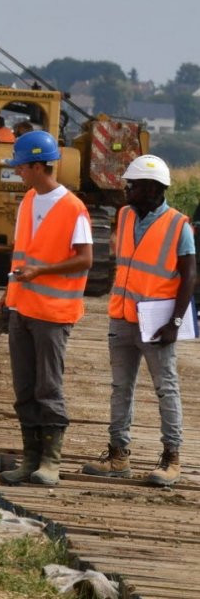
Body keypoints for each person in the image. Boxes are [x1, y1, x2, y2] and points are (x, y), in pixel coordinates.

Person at [82, 155, 196, 487]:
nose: (126, 189)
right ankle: (118, 456)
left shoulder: (178, 225)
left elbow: (189, 277)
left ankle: (171, 458)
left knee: (166, 388)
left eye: (132, 185)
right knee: (120, 389)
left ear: (152, 189)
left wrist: (175, 323)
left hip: (157, 322)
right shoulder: (125, 215)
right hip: (122, 316)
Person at [0, 130, 93, 487]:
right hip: (22, 308)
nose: (18, 172)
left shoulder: (72, 208)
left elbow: (85, 259)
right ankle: (30, 459)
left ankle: (51, 462)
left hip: (53, 314)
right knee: (24, 389)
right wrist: (6, 296)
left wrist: (41, 272)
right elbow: (22, 255)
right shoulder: (27, 202)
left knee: (47, 388)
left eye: (21, 167)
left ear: (38, 165)